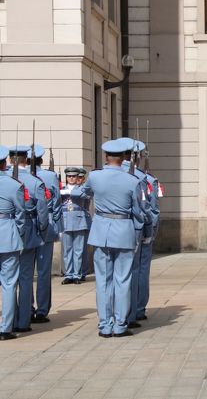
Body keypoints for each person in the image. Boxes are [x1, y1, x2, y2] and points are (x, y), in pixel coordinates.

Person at [72, 138, 150, 338]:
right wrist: (140, 231)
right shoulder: (133, 180)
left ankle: (105, 325)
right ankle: (120, 324)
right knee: (122, 279)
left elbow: (82, 193)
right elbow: (139, 212)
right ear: (124, 157)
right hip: (124, 230)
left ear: (106, 157)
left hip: (101, 231)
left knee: (103, 280)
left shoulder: (95, 177)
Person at [10, 145, 50, 333]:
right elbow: (43, 212)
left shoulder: (5, 180)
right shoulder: (35, 182)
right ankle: (23, 320)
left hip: (5, 233)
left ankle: (8, 319)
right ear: (27, 160)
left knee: (8, 281)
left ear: (10, 160)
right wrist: (42, 232)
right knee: (26, 279)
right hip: (28, 230)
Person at [119, 139, 153, 329]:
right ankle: (134, 311)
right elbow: (149, 209)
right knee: (137, 270)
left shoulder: (102, 176)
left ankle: (113, 316)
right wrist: (149, 231)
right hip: (135, 230)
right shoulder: (142, 179)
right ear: (137, 157)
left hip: (108, 232)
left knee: (111, 276)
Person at [27, 145, 62, 324]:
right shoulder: (49, 176)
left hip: (25, 225)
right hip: (45, 223)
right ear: (41, 159)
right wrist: (58, 227)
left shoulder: (17, 176)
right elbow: (56, 203)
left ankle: (26, 308)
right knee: (43, 271)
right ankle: (42, 310)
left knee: (25, 272)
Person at [0, 146, 27, 340]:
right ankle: (6, 327)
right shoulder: (13, 184)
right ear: (4, 163)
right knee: (9, 283)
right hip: (7, 233)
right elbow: (21, 215)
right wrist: (19, 233)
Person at [136, 153, 162, 321]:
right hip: (141, 232)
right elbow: (153, 211)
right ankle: (138, 309)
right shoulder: (147, 180)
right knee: (141, 270)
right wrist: (151, 233)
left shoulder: (100, 176)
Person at [60, 167, 88, 285]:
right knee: (67, 250)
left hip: (79, 223)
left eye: (74, 176)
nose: (71, 178)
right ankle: (69, 274)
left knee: (78, 250)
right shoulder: (61, 190)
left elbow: (84, 196)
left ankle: (77, 274)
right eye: (69, 176)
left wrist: (68, 192)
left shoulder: (81, 188)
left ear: (77, 178)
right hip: (65, 222)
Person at [76, 168, 92, 281]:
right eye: (78, 177)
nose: (78, 179)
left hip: (84, 220)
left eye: (81, 177)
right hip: (72, 221)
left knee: (83, 249)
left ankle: (83, 272)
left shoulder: (85, 189)